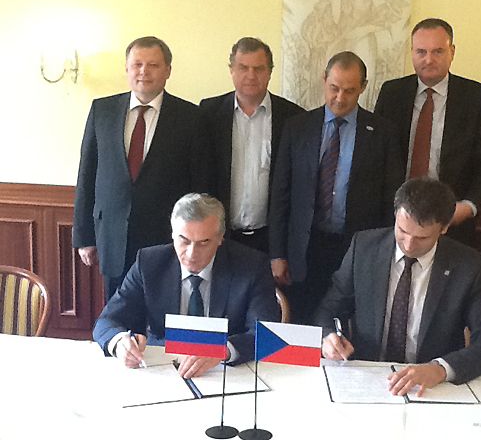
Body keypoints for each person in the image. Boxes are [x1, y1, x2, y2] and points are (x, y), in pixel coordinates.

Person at [315, 178, 481, 396]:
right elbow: (328, 309)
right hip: (368, 378)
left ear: (444, 228)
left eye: (422, 238)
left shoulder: (469, 267)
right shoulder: (364, 248)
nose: (408, 245)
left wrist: (440, 369)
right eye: (402, 231)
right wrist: (328, 336)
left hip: (430, 387)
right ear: (395, 215)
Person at [269, 51, 404, 324]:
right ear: (324, 80)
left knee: (350, 326)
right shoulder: (297, 127)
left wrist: (385, 255)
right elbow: (281, 195)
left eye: (349, 90)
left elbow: (391, 200)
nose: (340, 98)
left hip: (356, 249)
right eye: (334, 88)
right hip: (305, 249)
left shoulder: (383, 133)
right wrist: (277, 254)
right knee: (302, 325)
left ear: (363, 87)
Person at [93, 193, 280, 378]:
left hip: (227, 374)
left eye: (204, 242)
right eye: (184, 241)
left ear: (220, 238)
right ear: (173, 234)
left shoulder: (251, 266)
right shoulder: (149, 263)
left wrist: (223, 349)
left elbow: (266, 335)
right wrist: (120, 343)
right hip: (162, 369)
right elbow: (106, 321)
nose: (191, 254)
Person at [73, 36, 201, 303]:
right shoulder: (102, 110)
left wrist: (196, 239)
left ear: (168, 71)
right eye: (137, 64)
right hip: (112, 238)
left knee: (161, 313)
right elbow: (87, 175)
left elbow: (199, 184)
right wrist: (84, 236)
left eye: (153, 65)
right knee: (116, 313)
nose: (144, 71)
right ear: (127, 69)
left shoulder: (190, 117)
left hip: (165, 240)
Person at [374, 18, 481, 248]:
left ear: (452, 52)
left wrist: (469, 206)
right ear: (411, 52)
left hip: (451, 221)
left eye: (437, 51)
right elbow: (377, 154)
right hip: (396, 220)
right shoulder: (392, 93)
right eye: (421, 51)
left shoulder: (476, 97)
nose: (428, 59)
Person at [197, 37, 304, 253]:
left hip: (270, 239)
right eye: (243, 67)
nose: (251, 75)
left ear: (270, 72)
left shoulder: (293, 117)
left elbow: (295, 185)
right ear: (232, 70)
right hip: (220, 236)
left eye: (259, 68)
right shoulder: (208, 113)